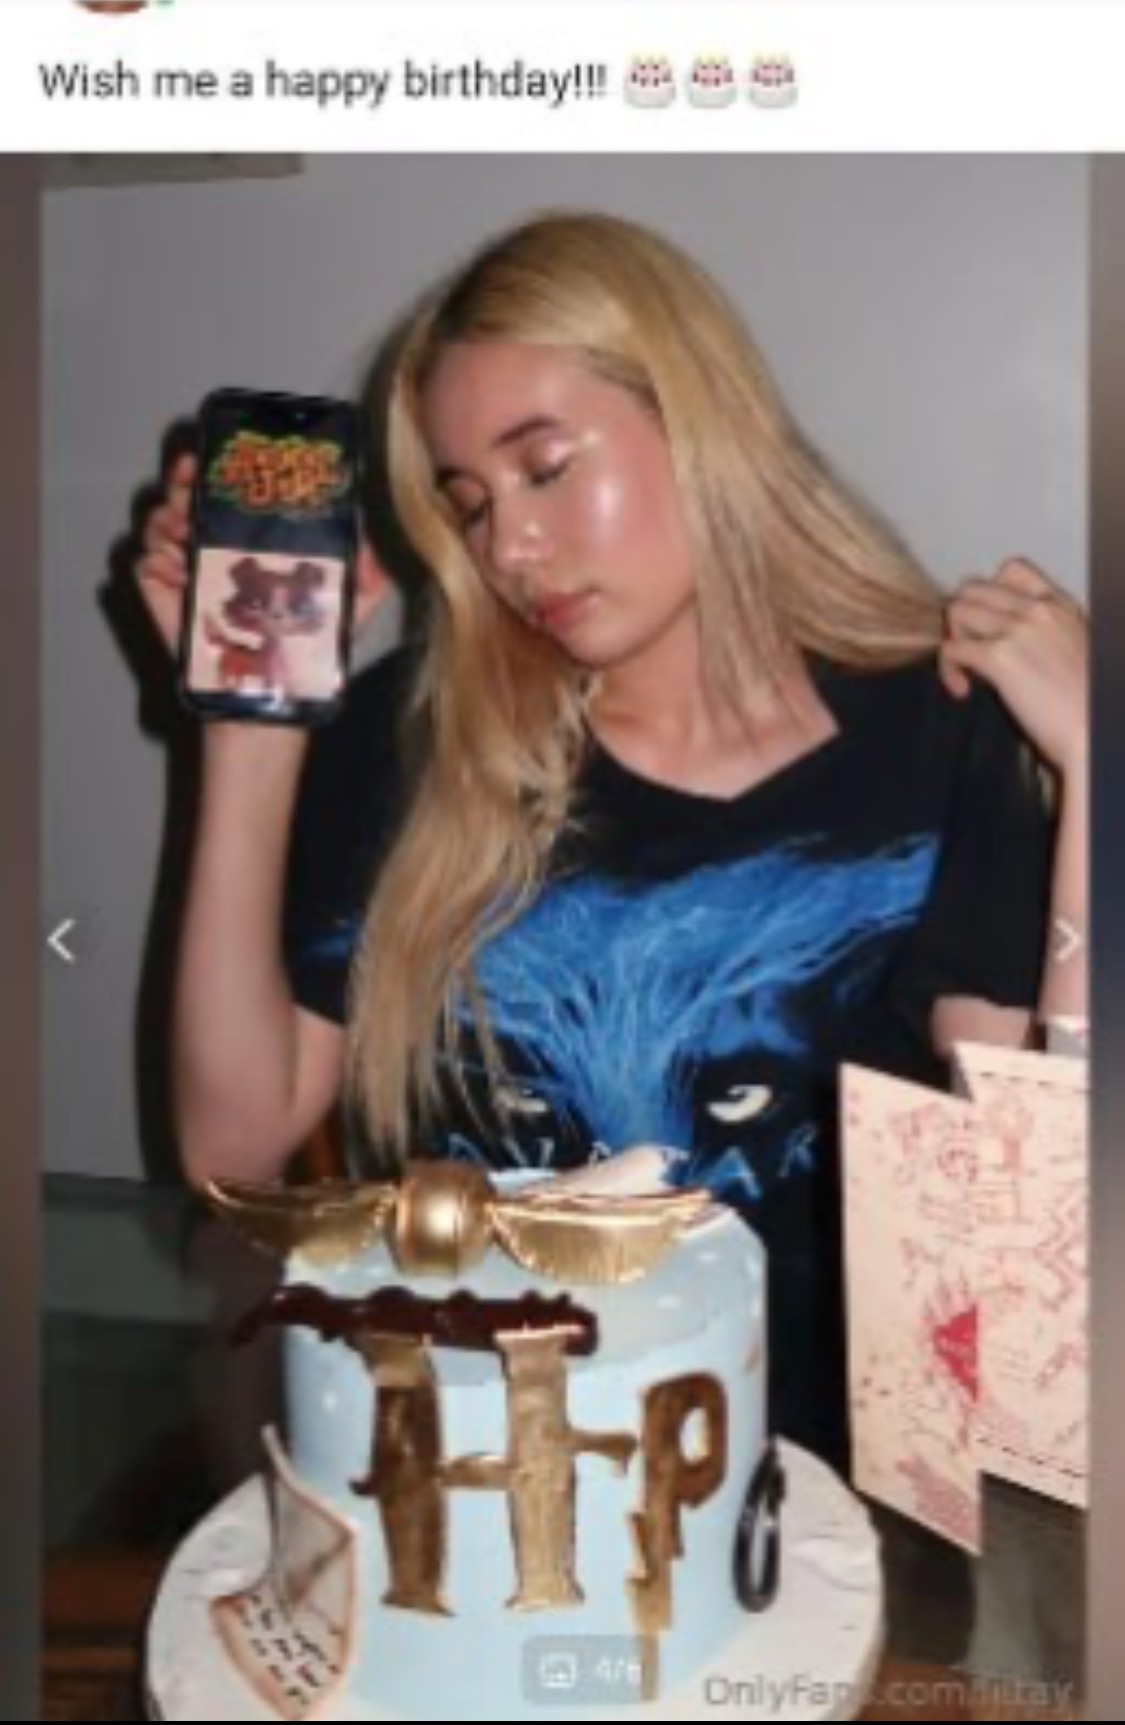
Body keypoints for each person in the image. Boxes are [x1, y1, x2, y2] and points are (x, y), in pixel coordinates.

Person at [135, 210, 1088, 1469]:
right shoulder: (414, 745)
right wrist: (249, 731)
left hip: (847, 1488)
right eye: (471, 504)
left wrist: (1098, 770)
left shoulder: (943, 732)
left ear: (698, 418)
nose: (509, 547)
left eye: (545, 469)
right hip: (476, 1457)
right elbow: (233, 1146)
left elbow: (1036, 1199)